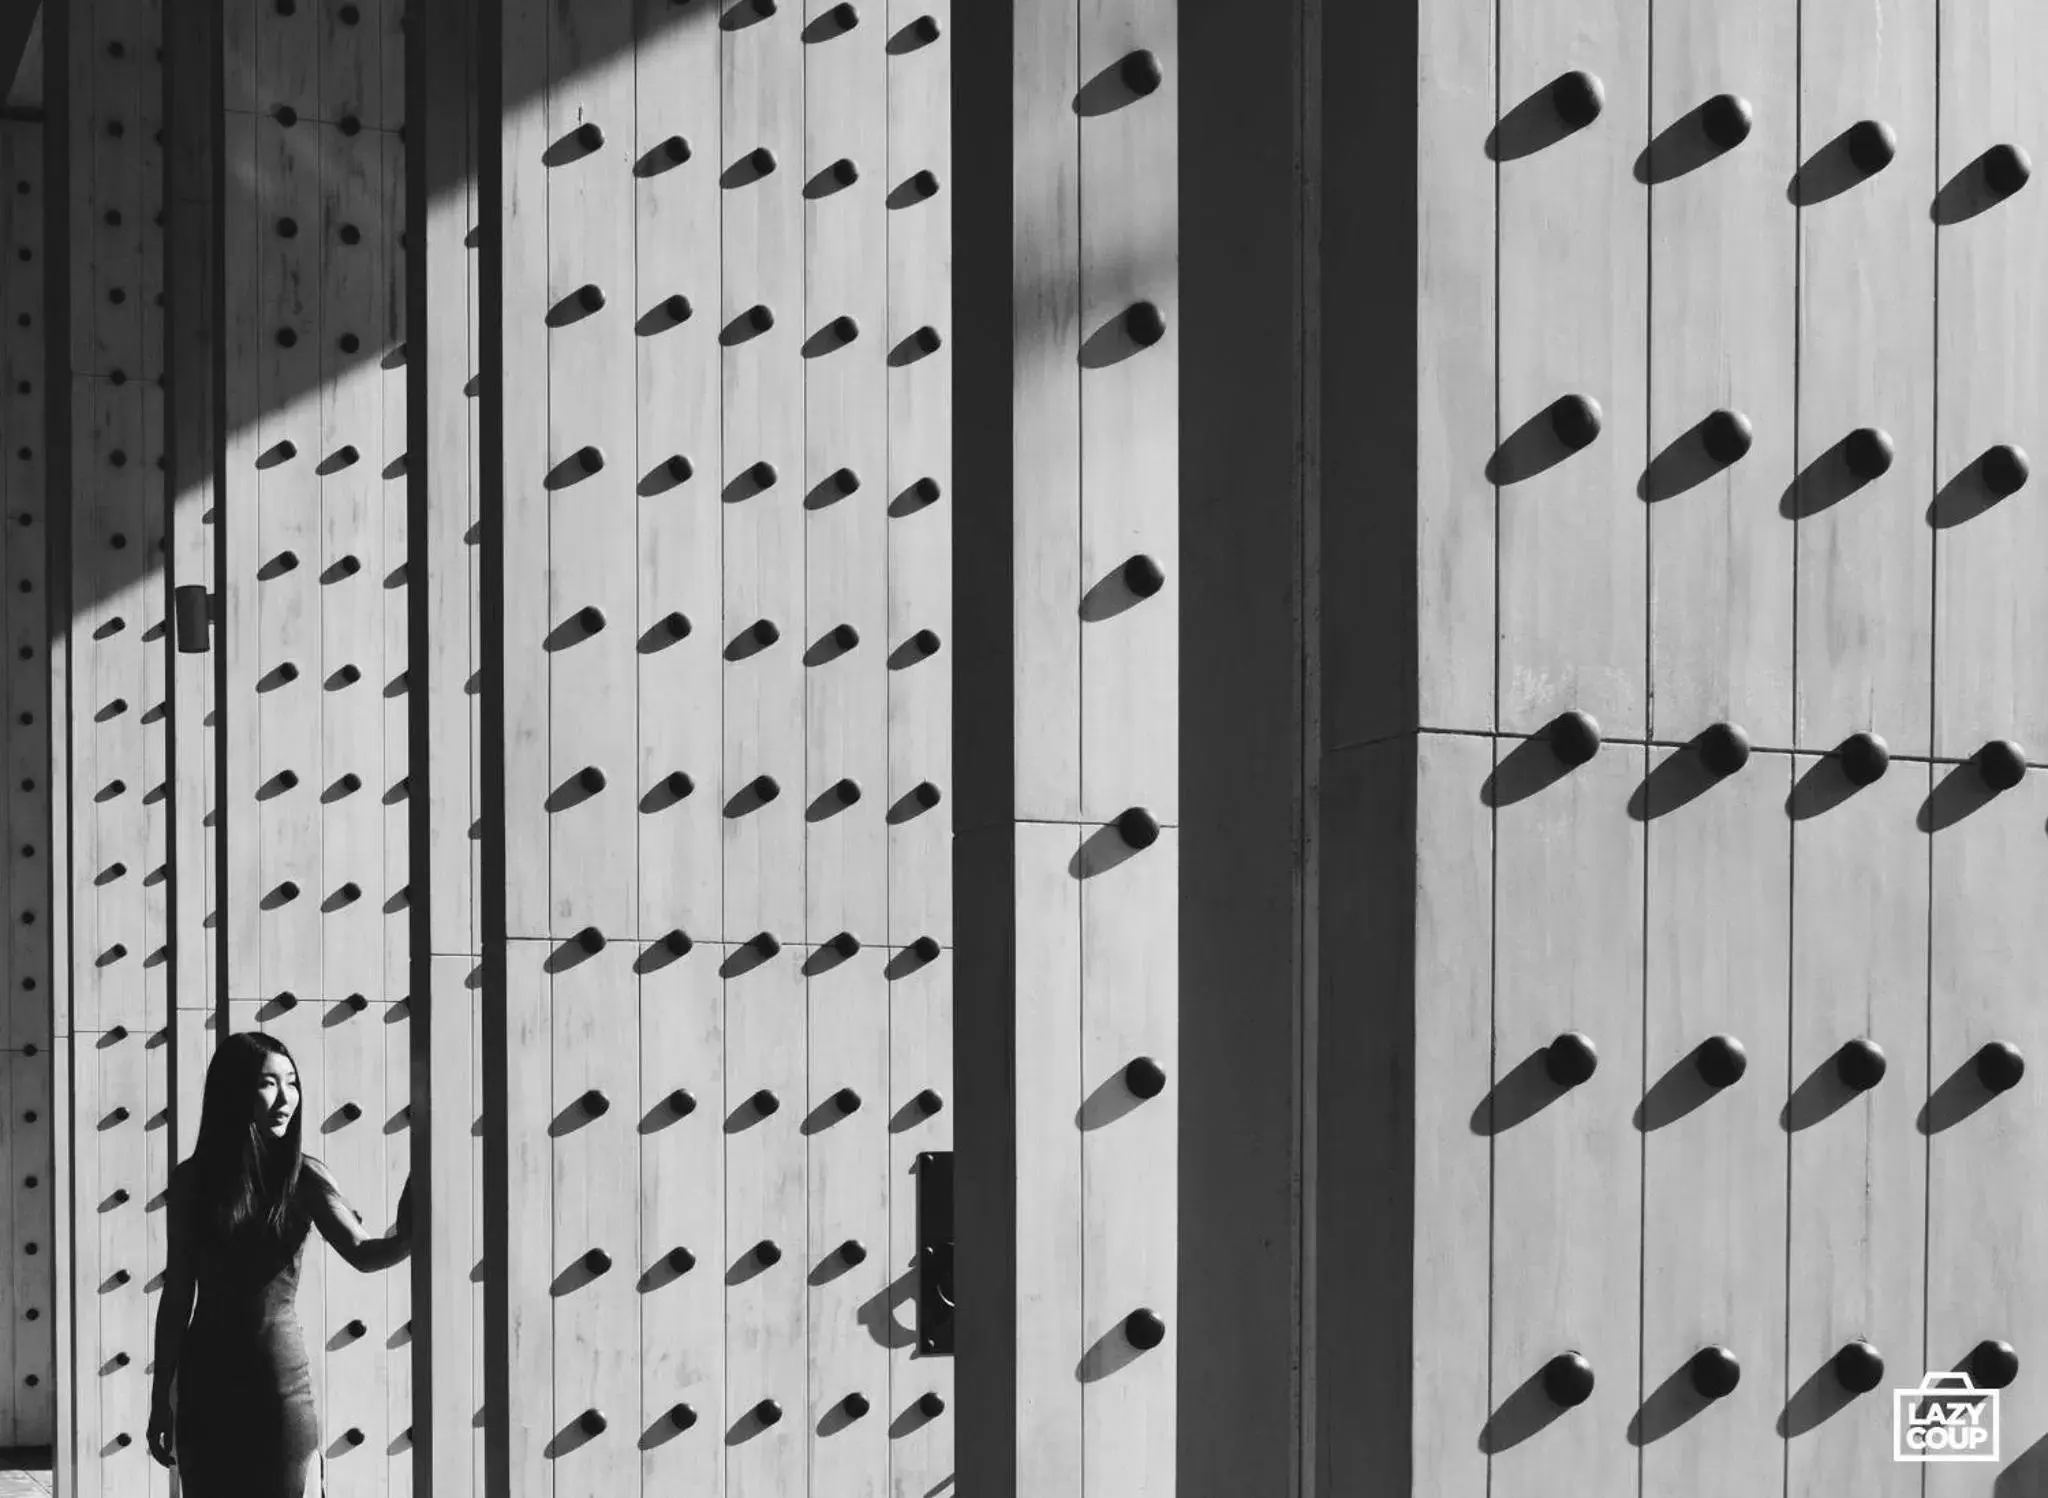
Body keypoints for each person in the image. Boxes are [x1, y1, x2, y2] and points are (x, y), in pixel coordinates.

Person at [143, 1029, 414, 1495]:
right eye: (268, 1083)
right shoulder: (192, 1183)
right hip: (205, 1387)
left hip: (280, 1388)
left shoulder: (303, 1176)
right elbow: (177, 1296)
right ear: (234, 1091)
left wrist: (417, 1201)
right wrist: (159, 1397)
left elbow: (366, 1253)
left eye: (292, 1082)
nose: (285, 1097)